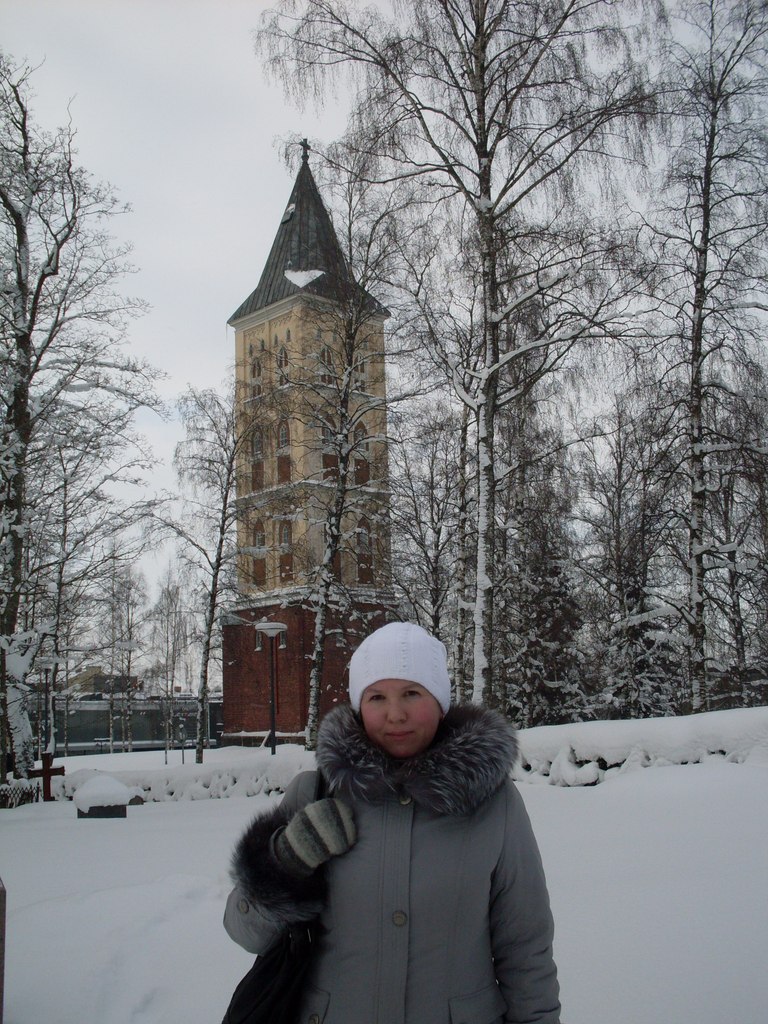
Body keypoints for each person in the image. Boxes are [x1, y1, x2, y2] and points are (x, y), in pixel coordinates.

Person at [224, 621, 561, 1024]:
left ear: (439, 701)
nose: (395, 714)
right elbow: (244, 933)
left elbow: (525, 948)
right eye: (377, 696)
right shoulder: (314, 794)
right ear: (358, 705)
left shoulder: (494, 804)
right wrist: (284, 863)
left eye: (412, 693)